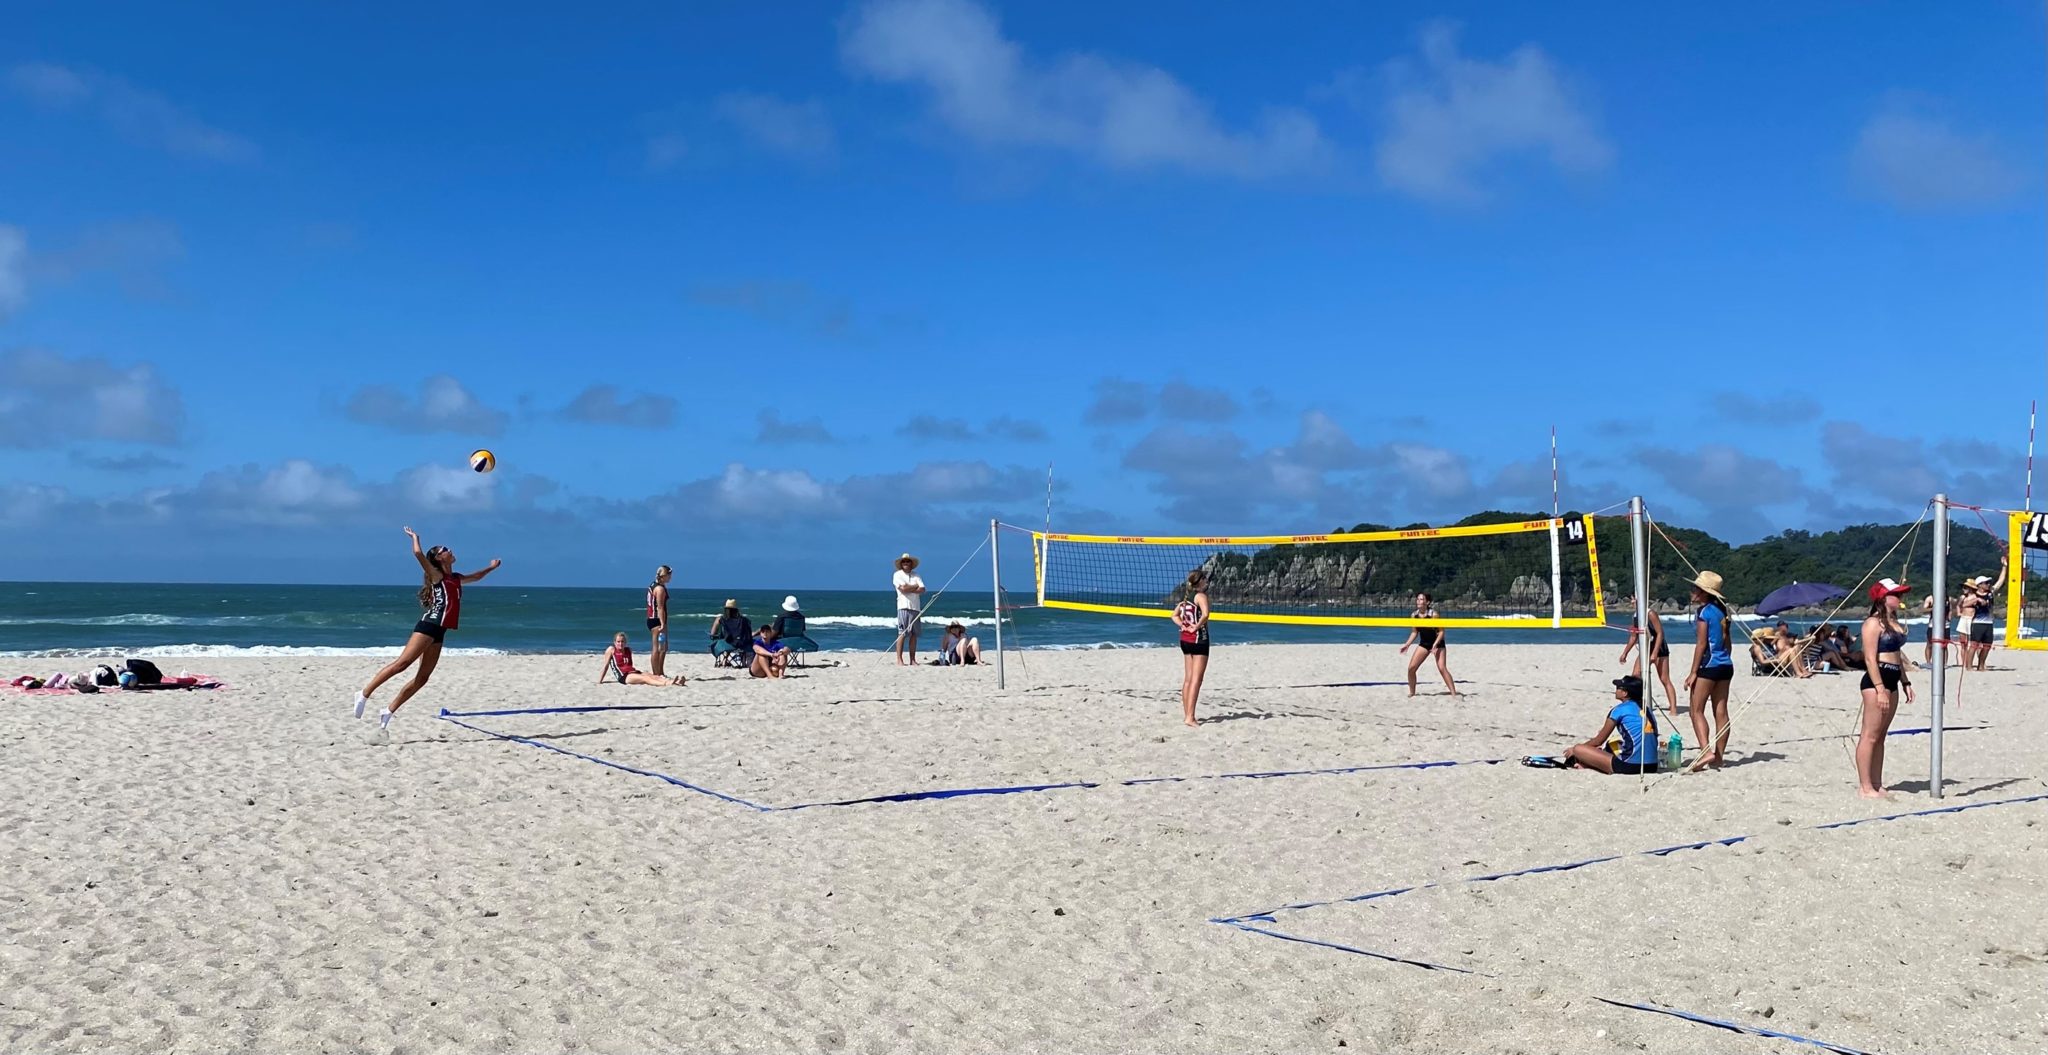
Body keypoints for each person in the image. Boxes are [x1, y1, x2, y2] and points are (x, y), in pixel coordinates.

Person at [353, 526, 501, 731]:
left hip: (440, 631)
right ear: (439, 558)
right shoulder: (436, 575)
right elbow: (417, 553)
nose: (450, 550)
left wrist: (491, 567)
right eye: (445, 549)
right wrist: (415, 537)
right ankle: (364, 694)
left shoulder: (455, 578)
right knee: (402, 664)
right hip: (428, 625)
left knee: (422, 678)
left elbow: (476, 577)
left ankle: (388, 711)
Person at [1856, 578, 1917, 798]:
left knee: (1881, 735)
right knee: (1870, 735)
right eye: (1896, 594)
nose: (1900, 598)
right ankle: (1865, 787)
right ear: (1883, 597)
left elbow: (1897, 655)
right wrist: (1880, 688)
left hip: (1893, 676)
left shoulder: (1892, 621)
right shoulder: (1873, 623)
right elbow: (1870, 659)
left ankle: (1876, 782)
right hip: (1877, 679)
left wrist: (1905, 681)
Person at [1554, 676, 1660, 774]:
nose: (1616, 690)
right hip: (1652, 766)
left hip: (1630, 766)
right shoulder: (1647, 710)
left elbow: (1598, 741)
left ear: (1625, 693)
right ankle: (1589, 764)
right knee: (1613, 744)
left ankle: (1587, 764)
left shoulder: (1619, 710)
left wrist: (1574, 750)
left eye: (1618, 688)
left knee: (1578, 749)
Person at [1684, 571, 1735, 771]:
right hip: (1725, 664)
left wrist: (1693, 672)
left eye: (1695, 588)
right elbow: (1727, 642)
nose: (1692, 591)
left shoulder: (1704, 612)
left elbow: (1701, 644)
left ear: (1704, 592)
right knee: (1721, 711)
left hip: (1709, 665)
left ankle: (1706, 751)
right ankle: (1718, 758)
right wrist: (1725, 658)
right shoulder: (1723, 611)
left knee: (1696, 710)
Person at [1618, 599, 1678, 708]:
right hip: (1645, 649)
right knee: (1635, 676)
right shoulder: (1635, 616)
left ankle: (1673, 708)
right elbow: (1633, 636)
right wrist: (1625, 653)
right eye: (1632, 600)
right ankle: (1637, 703)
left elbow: (1660, 633)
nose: (1632, 602)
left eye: (1634, 600)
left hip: (1659, 649)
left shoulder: (1650, 613)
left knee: (1664, 679)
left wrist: (1655, 652)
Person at [1398, 592, 1459, 698]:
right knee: (1411, 668)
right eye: (1418, 599)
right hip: (1424, 643)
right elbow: (1414, 632)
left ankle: (1453, 693)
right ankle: (1412, 693)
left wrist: (1435, 645)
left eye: (1421, 599)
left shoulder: (1433, 615)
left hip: (1438, 643)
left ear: (1427, 602)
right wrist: (1407, 644)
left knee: (1442, 668)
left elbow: (1441, 632)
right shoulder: (1414, 615)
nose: (1418, 601)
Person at [1957, 550, 2008, 672]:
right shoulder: (1974, 595)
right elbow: (1964, 605)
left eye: (1989, 582)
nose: (1988, 584)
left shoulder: (1990, 593)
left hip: (1989, 623)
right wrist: (1977, 600)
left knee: (1987, 646)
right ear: (1980, 585)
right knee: (1974, 645)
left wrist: (2004, 567)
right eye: (1986, 583)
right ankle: (1969, 666)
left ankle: (1981, 665)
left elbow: (2000, 581)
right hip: (1978, 623)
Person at [1175, 570, 1210, 727]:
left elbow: (1173, 615)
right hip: (1198, 640)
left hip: (1185, 640)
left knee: (1188, 679)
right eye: (1205, 578)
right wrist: (1195, 627)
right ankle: (1190, 717)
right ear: (1200, 581)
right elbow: (1206, 614)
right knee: (1196, 680)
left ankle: (1187, 715)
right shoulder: (1200, 596)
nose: (1207, 580)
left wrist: (1183, 626)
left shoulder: (1186, 598)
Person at [599, 632, 684, 686]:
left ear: (625, 642)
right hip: (624, 676)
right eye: (618, 642)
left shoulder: (628, 650)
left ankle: (675, 682)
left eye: (622, 641)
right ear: (614, 642)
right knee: (645, 679)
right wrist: (600, 681)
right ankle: (666, 683)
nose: (620, 643)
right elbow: (606, 666)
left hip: (632, 672)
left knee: (651, 675)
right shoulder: (611, 650)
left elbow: (629, 665)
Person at [891, 553, 926, 665]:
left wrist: (909, 588)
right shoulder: (897, 575)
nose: (906, 563)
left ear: (911, 563)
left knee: (914, 634)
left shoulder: (916, 575)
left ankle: (912, 659)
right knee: (902, 633)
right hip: (903, 606)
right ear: (901, 564)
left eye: (908, 561)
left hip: (915, 607)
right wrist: (915, 586)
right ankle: (899, 659)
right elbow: (903, 589)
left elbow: (922, 589)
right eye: (904, 561)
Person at [646, 565, 672, 677]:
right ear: (664, 576)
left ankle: (660, 672)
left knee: (663, 647)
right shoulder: (659, 589)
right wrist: (662, 623)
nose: (670, 577)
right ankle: (656, 674)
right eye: (669, 575)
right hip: (656, 620)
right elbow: (660, 607)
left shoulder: (654, 585)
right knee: (657, 648)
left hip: (653, 619)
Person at [710, 600, 752, 667]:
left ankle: (724, 660)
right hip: (743, 644)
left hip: (727, 644)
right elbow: (748, 632)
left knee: (718, 643)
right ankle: (741, 660)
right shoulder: (744, 620)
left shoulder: (720, 619)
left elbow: (712, 634)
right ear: (736, 610)